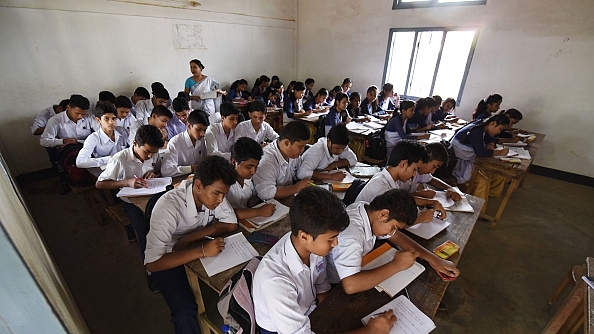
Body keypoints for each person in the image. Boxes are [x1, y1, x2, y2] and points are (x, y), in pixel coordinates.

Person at [253, 186, 397, 334]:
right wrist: (370, 331)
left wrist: (326, 301)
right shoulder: (276, 283)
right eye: (331, 239)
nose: (336, 243)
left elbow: (321, 282)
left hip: (308, 310)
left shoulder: (310, 246)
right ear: (304, 237)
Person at [145, 156, 238, 334]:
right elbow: (153, 263)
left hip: (194, 249)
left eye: (224, 194)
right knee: (185, 311)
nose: (221, 200)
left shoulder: (213, 194)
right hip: (168, 258)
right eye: (217, 194)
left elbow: (230, 223)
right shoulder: (168, 206)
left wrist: (190, 238)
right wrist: (202, 250)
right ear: (198, 185)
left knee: (230, 289)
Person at [326, 189, 460, 295]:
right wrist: (397, 265)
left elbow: (397, 237)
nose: (391, 232)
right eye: (394, 227)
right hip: (335, 285)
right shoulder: (351, 236)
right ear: (383, 214)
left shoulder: (367, 210)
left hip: (356, 267)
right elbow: (350, 286)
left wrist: (434, 259)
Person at [96, 125, 164, 265]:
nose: (151, 156)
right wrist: (126, 182)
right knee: (145, 232)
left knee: (167, 224)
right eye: (147, 152)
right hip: (131, 202)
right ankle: (150, 267)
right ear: (135, 143)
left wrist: (154, 174)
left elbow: (158, 170)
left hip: (152, 195)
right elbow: (100, 184)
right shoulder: (119, 159)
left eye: (154, 152)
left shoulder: (153, 153)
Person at [356, 141, 447, 224]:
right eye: (414, 169)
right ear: (404, 164)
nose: (414, 174)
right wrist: (420, 218)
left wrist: (432, 202)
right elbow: (389, 224)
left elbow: (403, 201)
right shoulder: (381, 186)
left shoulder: (391, 181)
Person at [451, 114, 510, 205]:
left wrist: (490, 143)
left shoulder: (483, 125)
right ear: (493, 123)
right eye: (500, 129)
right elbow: (480, 152)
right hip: (458, 161)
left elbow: (491, 138)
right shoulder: (477, 131)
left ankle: (489, 195)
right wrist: (500, 153)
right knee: (482, 181)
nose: (499, 132)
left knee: (493, 174)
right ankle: (476, 208)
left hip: (467, 159)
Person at [253, 121, 312, 201]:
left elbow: (300, 169)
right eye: (301, 146)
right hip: (267, 204)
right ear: (287, 142)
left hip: (287, 197)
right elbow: (266, 193)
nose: (302, 150)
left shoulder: (293, 154)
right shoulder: (267, 160)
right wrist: (296, 187)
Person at [226, 137, 276, 220]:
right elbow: (224, 213)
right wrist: (259, 211)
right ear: (234, 162)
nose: (253, 172)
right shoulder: (223, 181)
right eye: (249, 167)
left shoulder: (248, 179)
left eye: (256, 166)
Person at [398, 143, 462, 202]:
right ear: (427, 159)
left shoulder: (420, 171)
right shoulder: (401, 173)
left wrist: (449, 188)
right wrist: (419, 194)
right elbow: (396, 199)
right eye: (434, 166)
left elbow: (431, 179)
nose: (432, 171)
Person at [76, 102, 128, 168]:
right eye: (106, 119)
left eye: (113, 118)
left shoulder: (122, 131)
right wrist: (111, 158)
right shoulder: (93, 138)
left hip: (124, 167)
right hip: (105, 171)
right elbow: (80, 162)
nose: (111, 122)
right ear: (98, 120)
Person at [161, 109, 210, 177]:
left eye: (205, 130)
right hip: (181, 180)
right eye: (198, 129)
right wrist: (192, 168)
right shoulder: (175, 143)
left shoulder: (203, 140)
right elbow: (166, 170)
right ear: (189, 126)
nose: (202, 134)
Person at [184, 59, 222, 124]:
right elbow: (185, 96)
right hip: (196, 106)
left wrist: (219, 93)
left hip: (209, 107)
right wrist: (194, 97)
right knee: (198, 123)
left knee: (210, 124)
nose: (192, 69)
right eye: (191, 67)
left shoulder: (209, 80)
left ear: (200, 68)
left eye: (195, 67)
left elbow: (215, 93)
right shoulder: (189, 81)